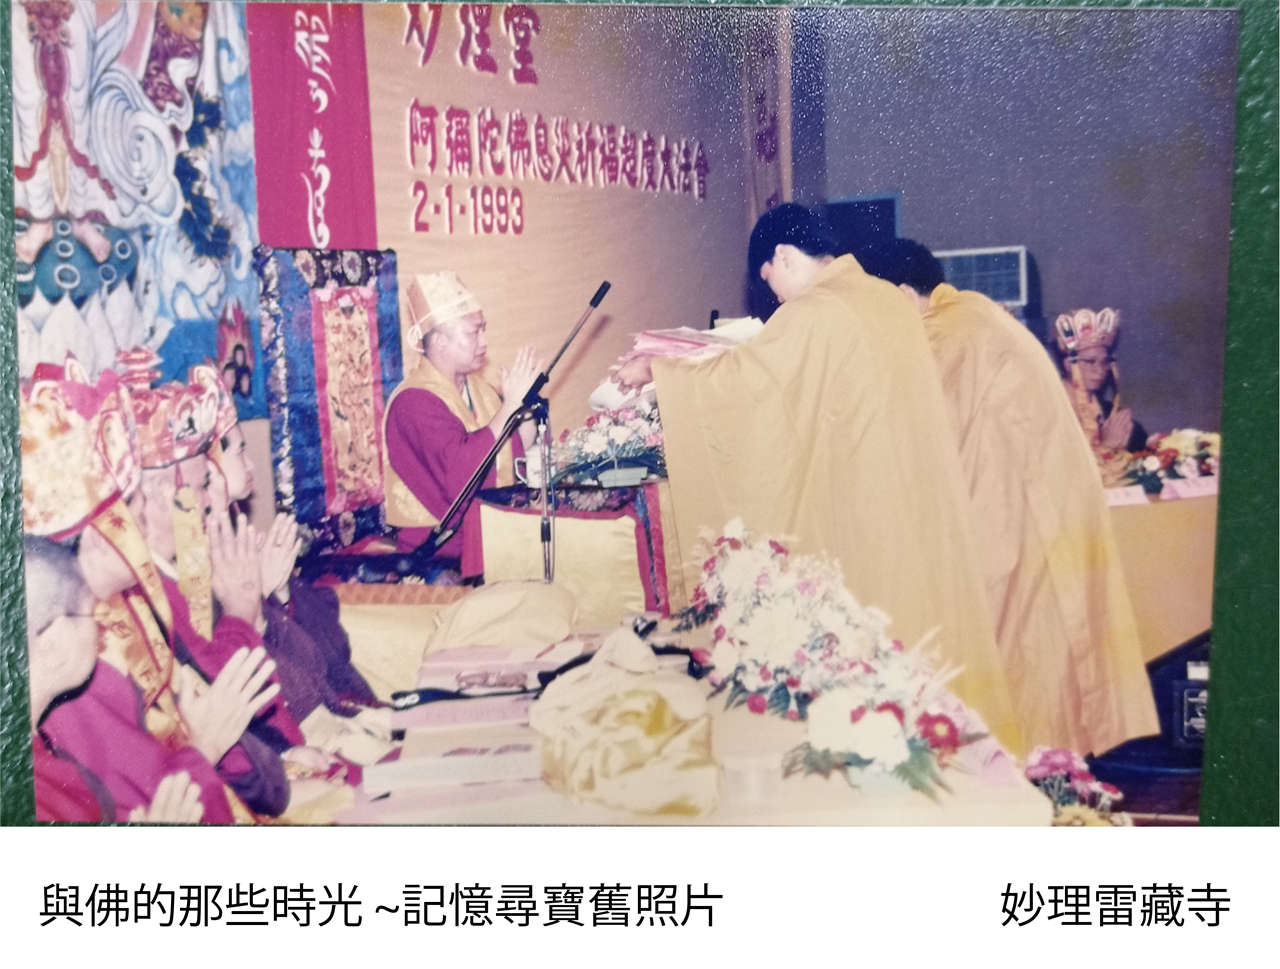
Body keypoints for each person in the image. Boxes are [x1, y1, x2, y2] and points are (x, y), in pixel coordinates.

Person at [626, 204, 1023, 754]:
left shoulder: (815, 311)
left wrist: (658, 372)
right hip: (914, 496)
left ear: (784, 256)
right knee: (918, 652)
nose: (776, 298)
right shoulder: (885, 297)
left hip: (861, 507)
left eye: (771, 281)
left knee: (868, 660)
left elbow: (747, 386)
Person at [865, 238, 1159, 754]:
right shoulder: (971, 315)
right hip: (1034, 507)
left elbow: (917, 441)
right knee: (1037, 664)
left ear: (904, 294)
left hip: (1016, 515)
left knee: (1012, 666)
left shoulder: (947, 333)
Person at [382, 271, 541, 576]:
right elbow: (461, 474)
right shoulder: (413, 402)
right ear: (441, 342)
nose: (484, 342)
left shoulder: (480, 390)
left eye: (484, 330)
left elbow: (510, 457)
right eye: (473, 332)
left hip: (490, 539)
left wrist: (525, 408)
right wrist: (508, 408)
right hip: (436, 557)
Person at [1054, 307, 1149, 484]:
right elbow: (1055, 471)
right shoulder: (1051, 409)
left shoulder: (1104, 410)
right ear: (1068, 365)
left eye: (1105, 362)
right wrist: (1105, 446)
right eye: (1090, 361)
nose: (1100, 370)